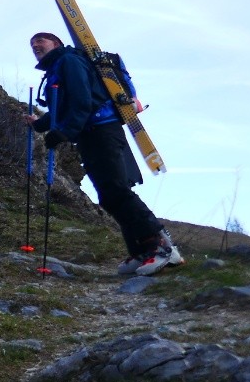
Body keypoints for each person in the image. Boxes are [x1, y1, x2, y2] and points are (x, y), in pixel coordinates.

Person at [24, 31, 181, 276]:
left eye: (40, 41)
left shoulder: (68, 61)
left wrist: (65, 132)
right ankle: (141, 251)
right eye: (32, 44)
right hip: (91, 134)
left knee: (116, 190)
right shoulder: (57, 67)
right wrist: (40, 124)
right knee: (109, 195)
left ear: (56, 43)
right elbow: (62, 108)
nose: (35, 46)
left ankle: (162, 248)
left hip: (101, 130)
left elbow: (82, 100)